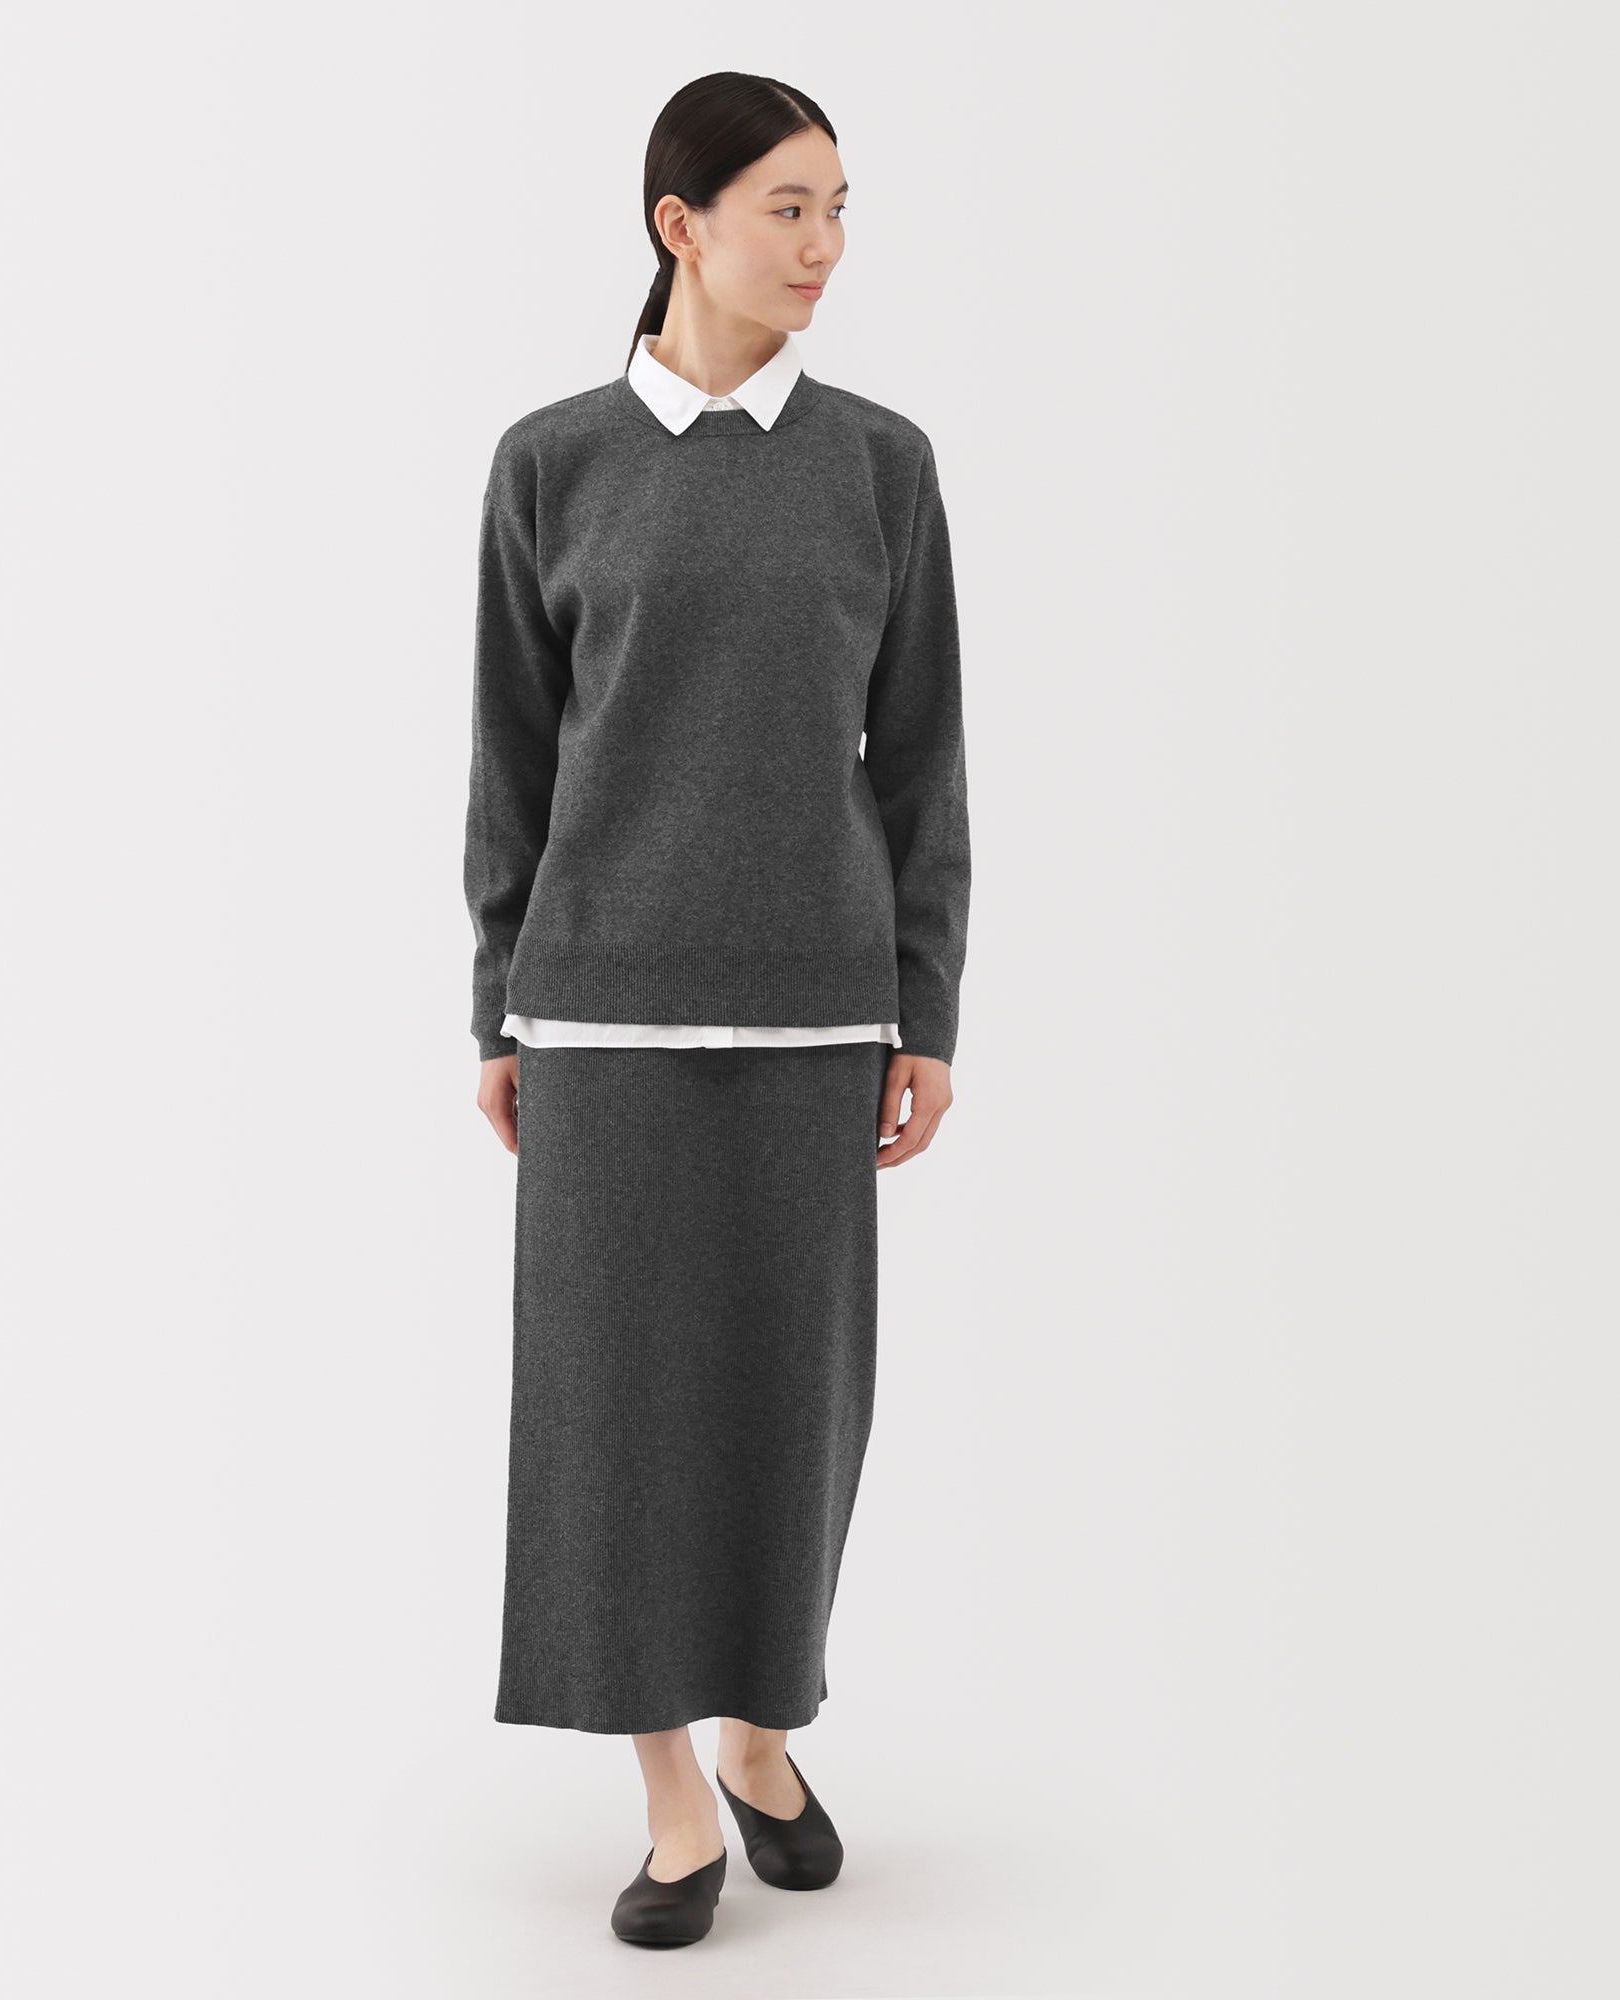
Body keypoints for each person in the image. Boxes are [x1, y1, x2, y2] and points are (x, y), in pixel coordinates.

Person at [461, 70, 971, 1948]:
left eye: (840, 208)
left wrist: (926, 1003)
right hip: (599, 1022)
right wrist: (499, 1006)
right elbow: (512, 760)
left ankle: (766, 1732)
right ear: (680, 224)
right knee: (609, 1428)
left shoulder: (882, 465)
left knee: (791, 1418)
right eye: (787, 207)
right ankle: (675, 1797)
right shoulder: (552, 463)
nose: (825, 245)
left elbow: (922, 759)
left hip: (819, 1019)